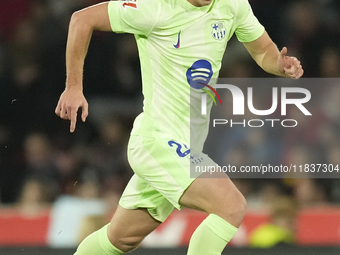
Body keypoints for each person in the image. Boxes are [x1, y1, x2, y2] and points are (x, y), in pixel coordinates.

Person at [55, 0, 303, 254]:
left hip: (186, 148)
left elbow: (262, 51)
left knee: (120, 239)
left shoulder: (232, 5)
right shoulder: (153, 7)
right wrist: (74, 86)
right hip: (157, 142)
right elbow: (81, 20)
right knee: (231, 206)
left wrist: (278, 64)